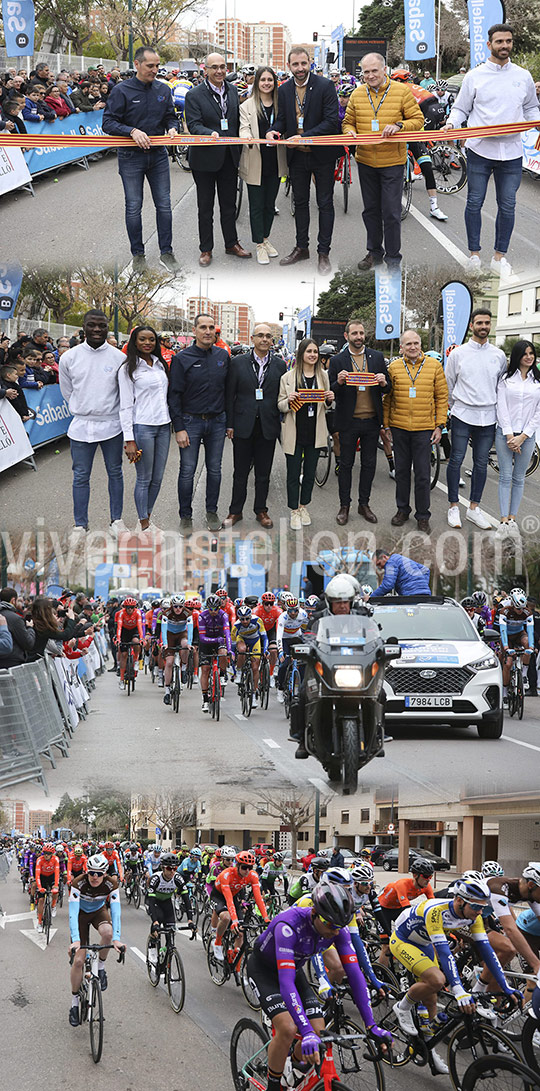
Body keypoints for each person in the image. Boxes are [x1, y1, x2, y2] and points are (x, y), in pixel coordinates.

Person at [246, 882, 391, 1091]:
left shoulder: (338, 930)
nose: (335, 931)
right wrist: (304, 1030)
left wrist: (371, 1025)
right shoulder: (288, 926)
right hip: (265, 971)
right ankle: (273, 1084)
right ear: (315, 913)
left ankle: (291, 1067)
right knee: (288, 1028)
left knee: (319, 1032)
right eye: (330, 925)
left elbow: (354, 973)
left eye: (340, 925)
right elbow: (286, 982)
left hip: (293, 969)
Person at [390, 877, 520, 1072]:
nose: (480, 913)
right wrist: (459, 990)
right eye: (476, 907)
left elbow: (487, 951)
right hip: (404, 940)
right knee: (437, 980)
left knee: (432, 999)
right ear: (459, 900)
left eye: (483, 908)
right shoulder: (436, 911)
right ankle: (403, 1006)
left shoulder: (473, 916)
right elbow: (444, 953)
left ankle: (428, 1048)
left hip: (424, 943)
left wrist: (505, 985)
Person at [443, 23, 540, 279]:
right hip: (479, 151)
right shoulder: (475, 76)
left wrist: (536, 120)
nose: (504, 46)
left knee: (507, 207)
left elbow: (531, 108)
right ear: (489, 45)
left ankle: (499, 258)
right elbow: (461, 109)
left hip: (511, 153)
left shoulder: (523, 76)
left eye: (508, 41)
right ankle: (473, 255)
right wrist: (452, 123)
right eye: (499, 42)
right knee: (474, 203)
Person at [342, 53, 424, 269]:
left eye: (374, 71)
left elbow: (418, 120)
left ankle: (393, 258)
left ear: (384, 69)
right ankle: (374, 252)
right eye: (366, 72)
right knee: (370, 211)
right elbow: (347, 122)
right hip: (366, 161)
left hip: (392, 162)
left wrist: (399, 125)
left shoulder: (401, 91)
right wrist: (350, 132)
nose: (370, 75)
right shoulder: (357, 94)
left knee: (391, 213)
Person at [102, 47, 180, 271]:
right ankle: (138, 255)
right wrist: (131, 131)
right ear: (137, 64)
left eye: (157, 66)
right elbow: (107, 123)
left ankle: (167, 253)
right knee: (134, 207)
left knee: (164, 205)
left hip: (159, 156)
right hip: (130, 158)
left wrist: (173, 129)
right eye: (150, 66)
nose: (155, 70)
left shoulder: (164, 89)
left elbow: (170, 117)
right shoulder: (121, 91)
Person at [266, 46, 341, 273]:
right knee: (300, 203)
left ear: (310, 64)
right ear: (289, 66)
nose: (300, 68)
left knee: (325, 203)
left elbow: (331, 122)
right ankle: (301, 248)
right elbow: (282, 120)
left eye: (303, 63)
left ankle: (323, 253)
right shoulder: (284, 89)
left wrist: (303, 137)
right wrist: (273, 131)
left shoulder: (326, 86)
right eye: (295, 64)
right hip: (297, 157)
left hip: (322, 156)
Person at [59, 310, 127, 535]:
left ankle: (116, 521)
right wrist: (85, 408)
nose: (97, 329)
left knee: (115, 472)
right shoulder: (69, 357)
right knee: (80, 476)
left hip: (112, 425)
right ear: (83, 327)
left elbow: (123, 393)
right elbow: (67, 392)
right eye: (92, 325)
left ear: (108, 327)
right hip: (81, 426)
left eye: (102, 325)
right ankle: (80, 524)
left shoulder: (119, 357)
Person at [184, 52, 251, 267]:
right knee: (205, 207)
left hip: (229, 156)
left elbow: (236, 121)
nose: (219, 71)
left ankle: (231, 243)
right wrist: (208, 134)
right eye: (214, 67)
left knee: (229, 205)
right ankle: (206, 249)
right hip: (204, 159)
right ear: (206, 70)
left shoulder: (232, 90)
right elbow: (193, 125)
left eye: (222, 66)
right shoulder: (194, 95)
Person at [168, 313, 229, 535]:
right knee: (187, 471)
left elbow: (228, 392)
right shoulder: (181, 358)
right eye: (203, 327)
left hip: (217, 422)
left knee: (215, 470)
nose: (207, 331)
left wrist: (228, 423)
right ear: (194, 331)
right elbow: (173, 395)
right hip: (190, 422)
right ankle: (185, 516)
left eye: (211, 327)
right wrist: (179, 428)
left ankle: (211, 512)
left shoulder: (223, 356)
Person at [445, 308, 507, 530]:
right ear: (471, 325)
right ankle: (453, 506)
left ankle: (473, 508)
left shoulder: (499, 355)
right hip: (462, 414)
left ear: (491, 325)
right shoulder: (458, 354)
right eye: (479, 323)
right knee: (456, 460)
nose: (483, 326)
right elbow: (449, 383)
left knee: (481, 464)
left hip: (488, 417)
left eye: (487, 323)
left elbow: (501, 386)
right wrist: (454, 407)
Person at [383, 329, 448, 533]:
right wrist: (385, 425)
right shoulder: (393, 368)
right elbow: (387, 399)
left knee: (422, 475)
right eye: (408, 344)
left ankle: (423, 516)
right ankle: (402, 510)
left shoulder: (434, 366)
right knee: (401, 473)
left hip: (424, 430)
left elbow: (442, 398)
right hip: (399, 428)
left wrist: (440, 425)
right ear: (401, 347)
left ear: (421, 345)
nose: (413, 347)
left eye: (416, 343)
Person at [223, 322, 286, 529]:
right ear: (253, 339)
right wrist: (230, 424)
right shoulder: (238, 362)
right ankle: (235, 511)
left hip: (267, 426)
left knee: (263, 473)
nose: (265, 339)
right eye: (260, 335)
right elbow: (230, 395)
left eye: (268, 336)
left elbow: (281, 395)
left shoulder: (279, 364)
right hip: (243, 425)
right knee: (240, 472)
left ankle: (261, 510)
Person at [328, 318, 391, 526]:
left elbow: (387, 388)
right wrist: (338, 381)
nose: (359, 337)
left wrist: (383, 382)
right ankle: (344, 505)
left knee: (369, 464)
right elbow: (330, 391)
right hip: (348, 421)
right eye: (354, 334)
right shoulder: (338, 361)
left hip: (371, 421)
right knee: (345, 465)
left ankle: (364, 504)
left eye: (361, 333)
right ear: (347, 336)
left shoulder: (376, 357)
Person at [118, 325, 171, 532]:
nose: (147, 343)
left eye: (151, 339)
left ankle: (147, 519)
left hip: (164, 426)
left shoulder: (160, 365)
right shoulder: (128, 368)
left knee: (157, 479)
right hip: (143, 428)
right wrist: (129, 439)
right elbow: (125, 405)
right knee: (144, 478)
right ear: (134, 342)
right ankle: (144, 524)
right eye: (142, 339)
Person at [277, 338, 335, 529]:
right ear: (301, 353)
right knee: (293, 474)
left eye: (315, 352)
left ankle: (303, 506)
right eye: (309, 351)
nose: (313, 355)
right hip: (294, 432)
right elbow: (280, 405)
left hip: (314, 432)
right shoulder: (287, 378)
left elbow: (328, 406)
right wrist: (289, 400)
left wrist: (329, 399)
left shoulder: (323, 377)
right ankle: (293, 510)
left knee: (309, 474)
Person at [238, 66, 287, 264]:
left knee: (269, 205)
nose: (266, 83)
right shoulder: (247, 106)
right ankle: (259, 244)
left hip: (275, 161)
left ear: (274, 82)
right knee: (256, 205)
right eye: (262, 79)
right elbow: (243, 128)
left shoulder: (280, 104)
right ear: (256, 82)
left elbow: (285, 124)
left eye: (270, 79)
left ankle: (266, 238)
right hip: (255, 160)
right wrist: (247, 138)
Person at [68, 852, 123, 1026]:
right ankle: (74, 1004)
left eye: (99, 873)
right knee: (78, 961)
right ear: (87, 871)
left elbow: (115, 911)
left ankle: (101, 967)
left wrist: (117, 938)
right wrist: (76, 940)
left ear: (105, 873)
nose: (95, 877)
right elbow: (72, 912)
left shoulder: (111, 884)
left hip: (98, 912)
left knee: (107, 933)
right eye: (91, 872)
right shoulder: (78, 883)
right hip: (80, 916)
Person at [495, 340, 540, 534]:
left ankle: (513, 519)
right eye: (525, 353)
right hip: (505, 434)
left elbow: (539, 411)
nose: (529, 357)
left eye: (532, 353)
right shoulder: (505, 379)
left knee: (519, 478)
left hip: (527, 436)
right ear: (517, 356)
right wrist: (509, 434)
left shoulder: (537, 381)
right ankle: (503, 521)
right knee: (505, 477)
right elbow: (501, 406)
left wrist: (523, 436)